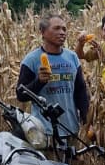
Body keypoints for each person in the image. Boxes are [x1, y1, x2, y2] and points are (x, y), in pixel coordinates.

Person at [16, 13, 89, 150]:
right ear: (43, 32)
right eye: (56, 28)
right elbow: (20, 95)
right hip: (44, 132)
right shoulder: (31, 60)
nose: (62, 32)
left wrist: (86, 119)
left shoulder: (72, 57)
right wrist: (39, 82)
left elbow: (80, 90)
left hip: (71, 129)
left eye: (64, 29)